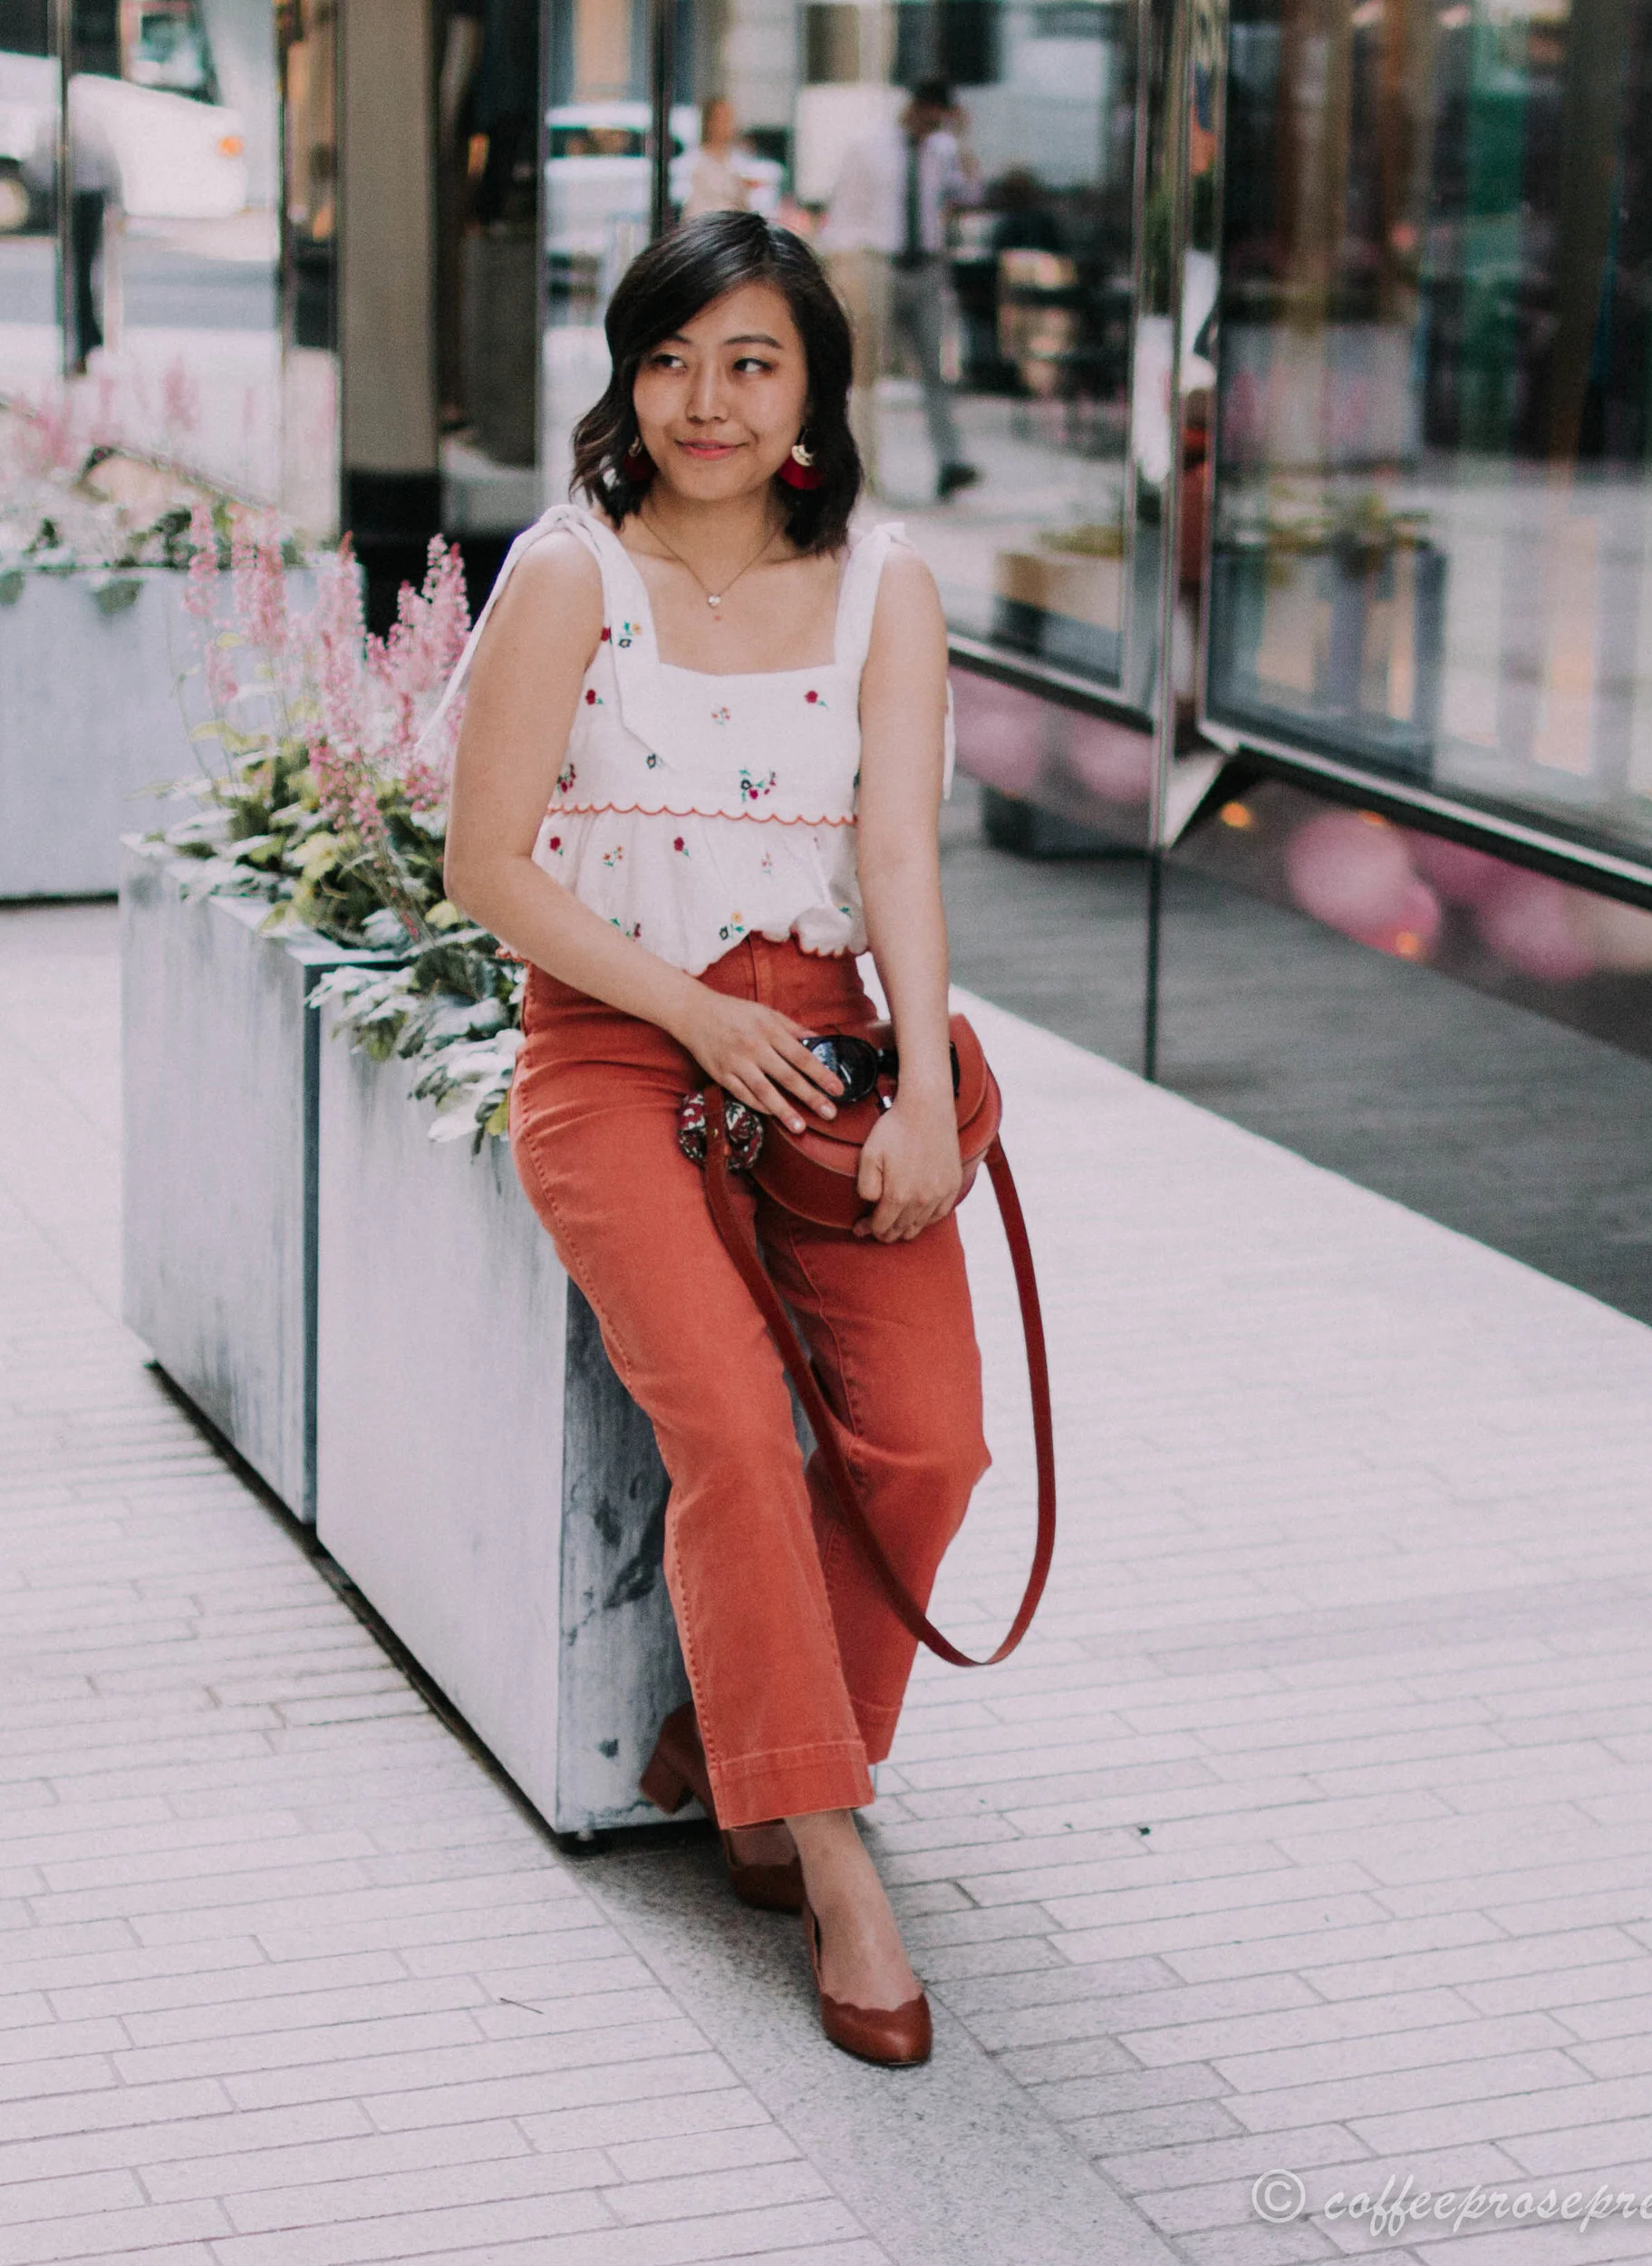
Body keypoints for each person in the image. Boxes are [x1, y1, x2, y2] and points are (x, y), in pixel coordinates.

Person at [442, 211, 989, 2067]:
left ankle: (738, 1748)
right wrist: (692, 1013)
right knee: (739, 1433)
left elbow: (897, 852)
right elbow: (486, 864)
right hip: (617, 1045)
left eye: (750, 362)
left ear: (812, 391)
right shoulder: (567, 575)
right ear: (627, 377)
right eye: (669, 359)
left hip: (825, 1057)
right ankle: (830, 1855)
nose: (705, 401)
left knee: (931, 1440)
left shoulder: (881, 584)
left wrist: (927, 1088)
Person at [818, 75, 981, 501]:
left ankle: (951, 463)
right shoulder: (868, 146)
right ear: (915, 108)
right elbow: (844, 211)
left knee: (936, 371)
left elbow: (970, 192)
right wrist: (842, 270)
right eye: (931, 118)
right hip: (876, 262)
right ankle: (864, 469)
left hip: (925, 267)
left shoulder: (943, 150)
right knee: (866, 373)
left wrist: (964, 139)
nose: (933, 128)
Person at [681, 95, 758, 218]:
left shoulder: (739, 161)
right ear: (709, 122)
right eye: (721, 119)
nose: (727, 125)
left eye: (729, 119)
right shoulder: (694, 160)